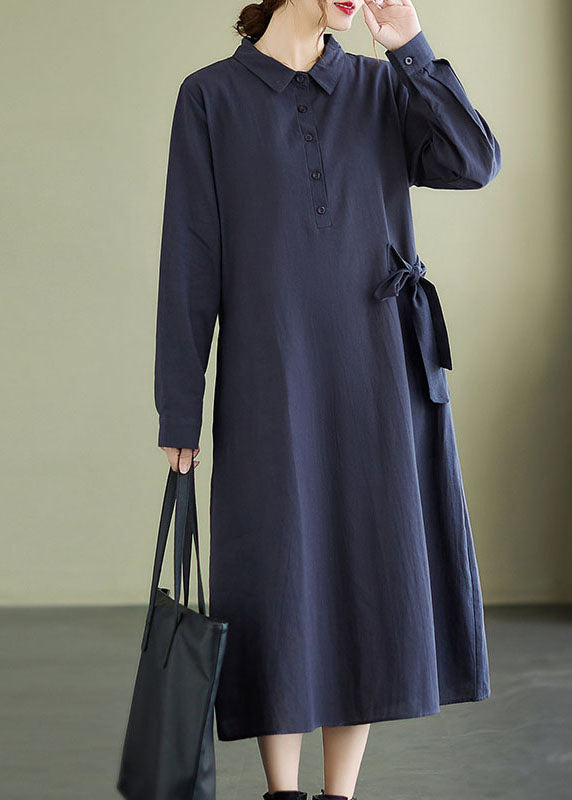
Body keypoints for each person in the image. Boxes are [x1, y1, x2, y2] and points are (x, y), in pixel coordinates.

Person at [154, 1, 502, 798]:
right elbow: (190, 259)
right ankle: (283, 791)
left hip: (378, 373)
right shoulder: (211, 98)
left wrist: (411, 47)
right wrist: (180, 404)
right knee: (275, 573)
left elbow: (475, 161)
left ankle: (339, 794)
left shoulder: (385, 88)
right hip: (269, 375)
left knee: (365, 572)